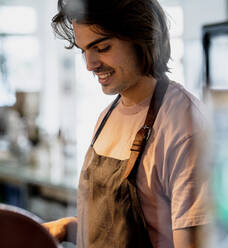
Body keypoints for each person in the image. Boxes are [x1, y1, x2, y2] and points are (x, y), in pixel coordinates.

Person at [43, 0, 210, 247]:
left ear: (141, 37)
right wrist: (70, 228)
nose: (89, 64)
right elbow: (115, 231)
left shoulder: (185, 125)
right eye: (84, 51)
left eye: (102, 47)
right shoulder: (106, 117)